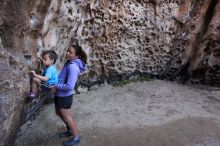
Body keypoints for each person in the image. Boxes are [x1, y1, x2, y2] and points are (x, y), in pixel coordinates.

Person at [50, 44, 87, 146]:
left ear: (77, 56)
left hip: (65, 96)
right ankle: (69, 130)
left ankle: (76, 137)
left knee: (67, 117)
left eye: (70, 52)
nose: (67, 53)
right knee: (58, 112)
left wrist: (56, 86)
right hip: (60, 95)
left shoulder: (73, 66)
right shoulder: (68, 63)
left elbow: (70, 86)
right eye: (67, 51)